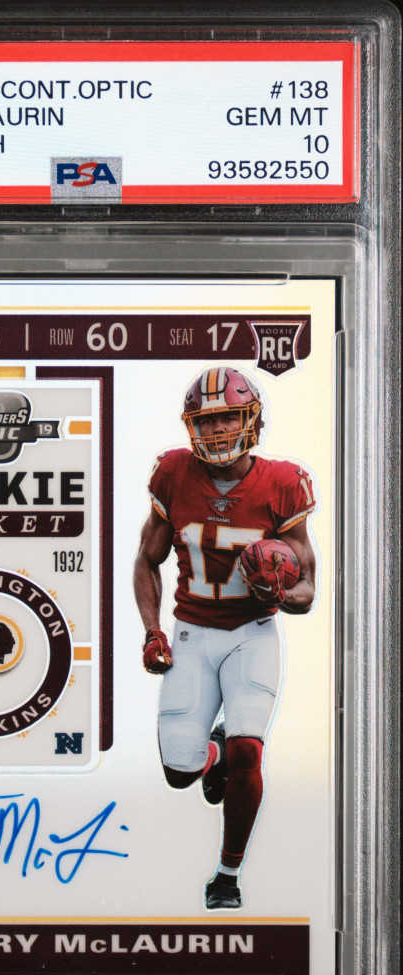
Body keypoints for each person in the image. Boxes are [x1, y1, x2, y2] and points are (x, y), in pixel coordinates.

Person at [133, 366, 317, 909]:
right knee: (179, 773)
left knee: (248, 751)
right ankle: (210, 754)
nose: (216, 431)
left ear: (251, 420)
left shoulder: (283, 483)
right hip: (192, 631)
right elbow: (146, 560)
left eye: (227, 418)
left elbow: (307, 590)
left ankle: (227, 876)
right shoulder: (173, 473)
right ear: (190, 427)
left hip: (251, 633)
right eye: (206, 421)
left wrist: (279, 592)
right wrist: (152, 630)